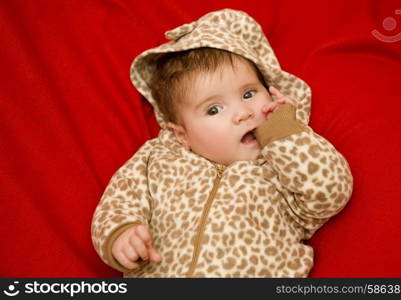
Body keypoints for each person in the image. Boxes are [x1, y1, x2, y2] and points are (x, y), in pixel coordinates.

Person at [91, 9, 353, 278]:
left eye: (249, 93)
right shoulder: (157, 161)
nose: (243, 113)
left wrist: (285, 133)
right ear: (182, 134)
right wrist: (122, 234)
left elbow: (330, 191)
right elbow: (119, 201)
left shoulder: (284, 168)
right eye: (214, 110)